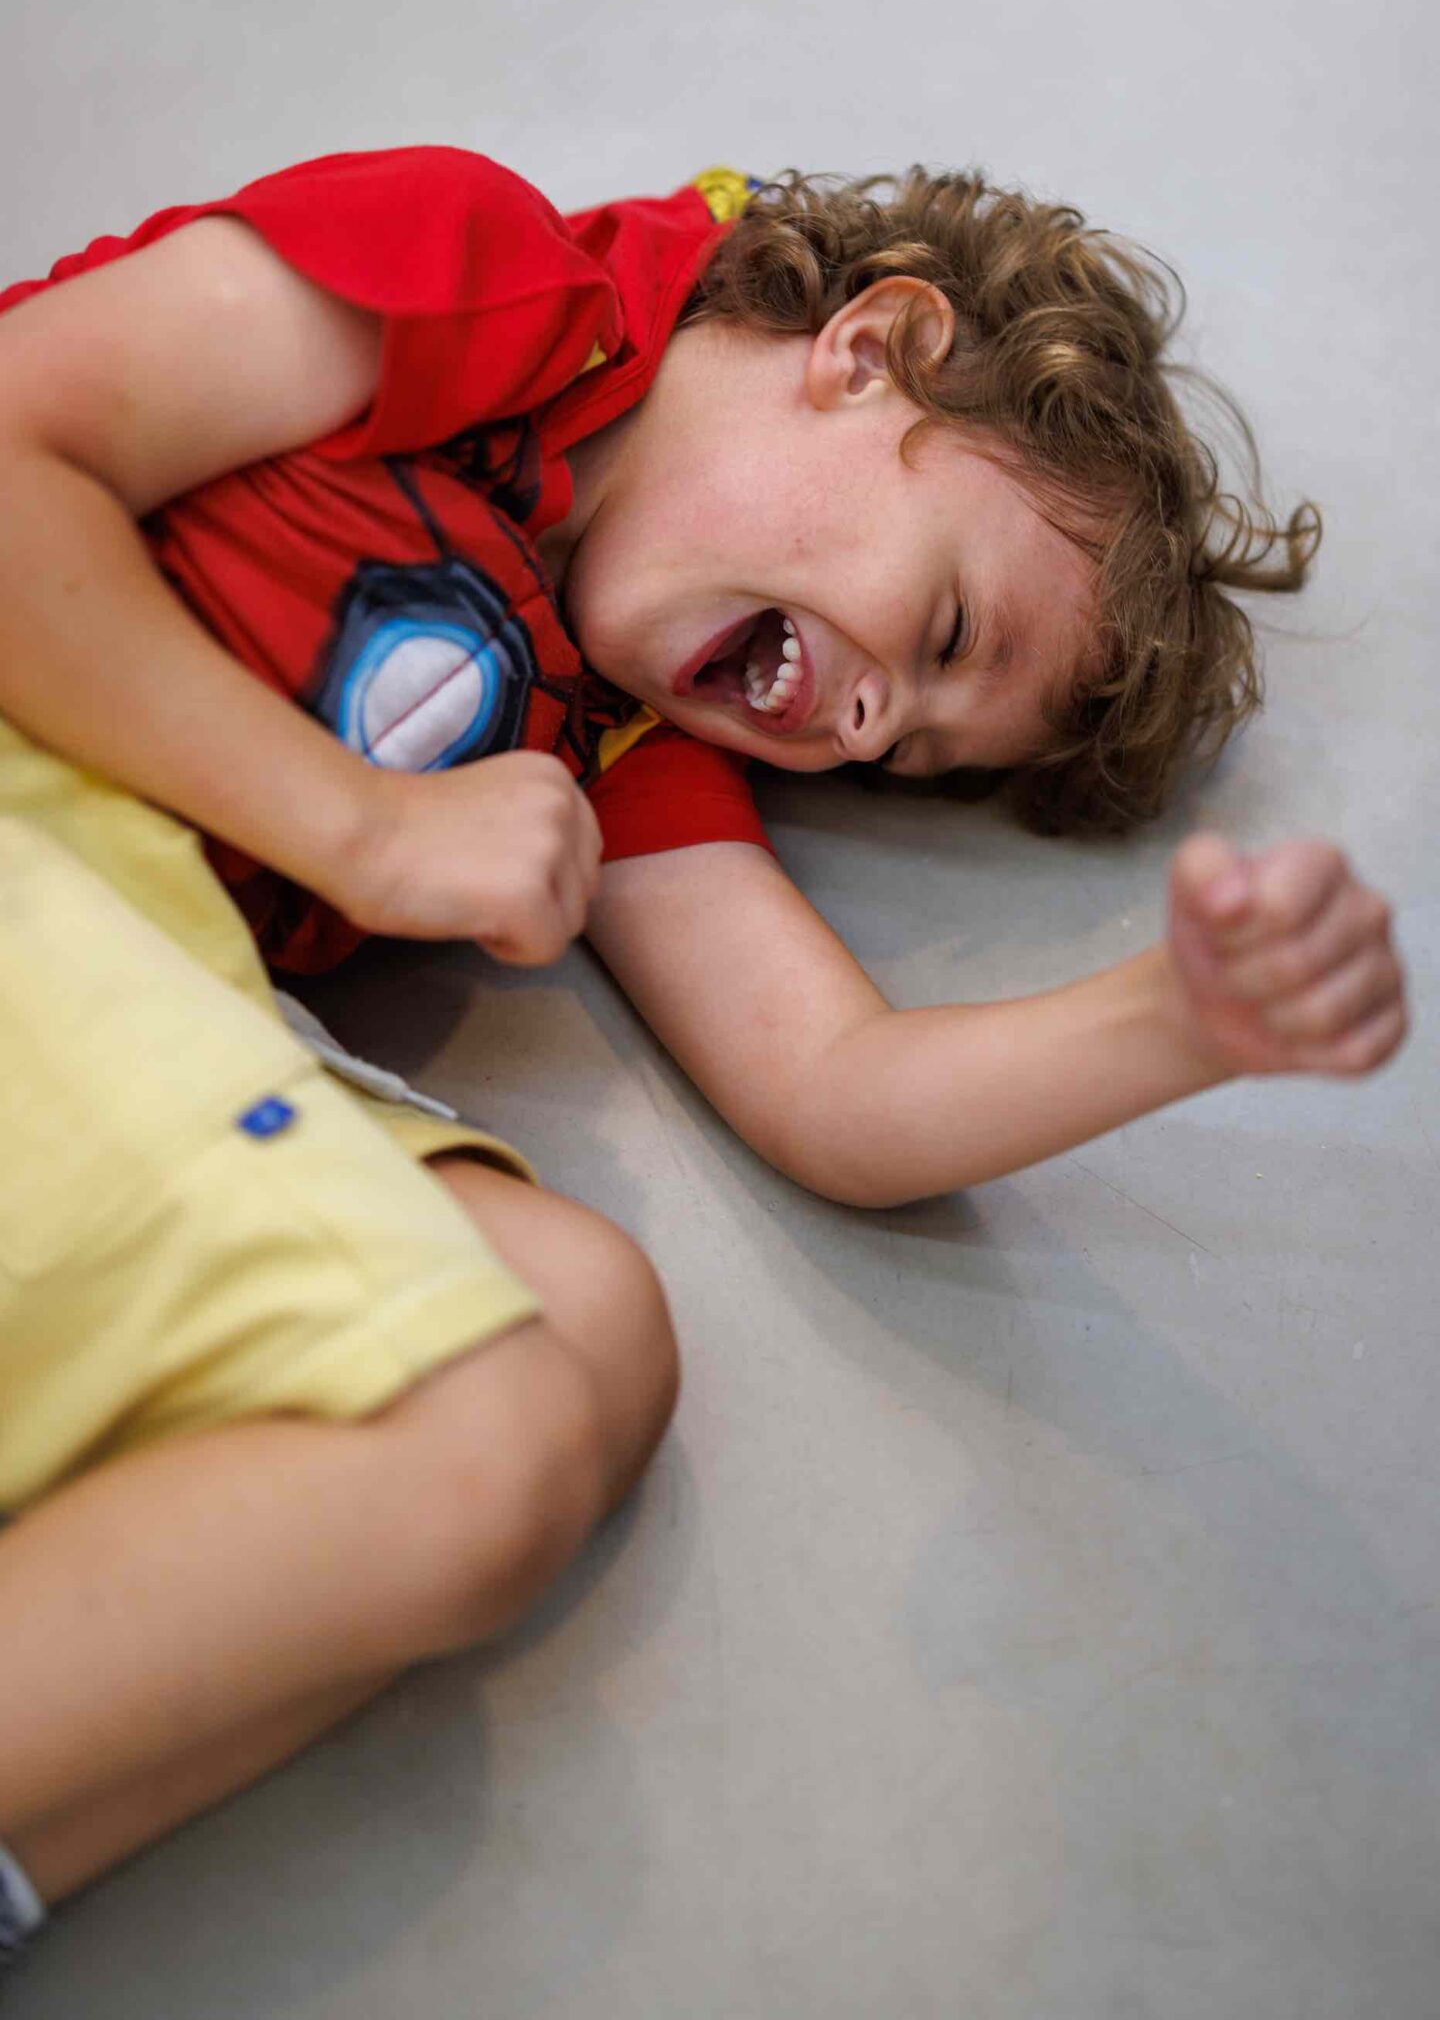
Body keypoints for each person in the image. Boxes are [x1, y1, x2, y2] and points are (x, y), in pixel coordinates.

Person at [0, 148, 1407, 1960]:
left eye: (914, 754)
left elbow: (838, 1089)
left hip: (119, 961)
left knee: (581, 1344)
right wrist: (357, 829)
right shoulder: (485, 273)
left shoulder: (612, 731)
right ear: (872, 351)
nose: (872, 727)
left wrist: (1174, 1024)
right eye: (946, 632)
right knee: (487, 1411)